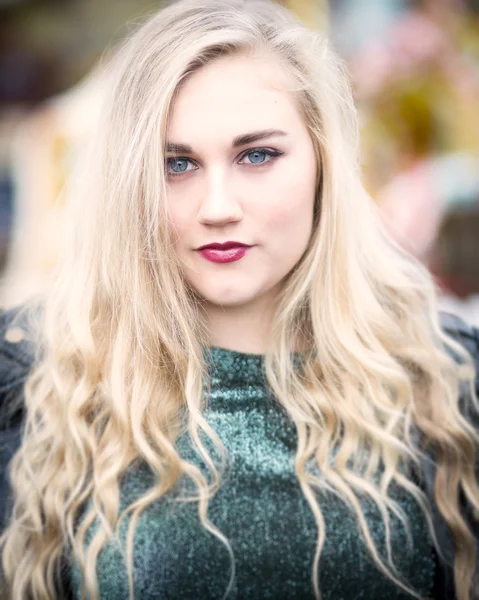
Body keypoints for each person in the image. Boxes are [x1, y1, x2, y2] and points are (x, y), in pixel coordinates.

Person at [0, 0, 478, 598]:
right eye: (176, 164)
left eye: (257, 155)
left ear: (323, 163)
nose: (218, 206)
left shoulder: (447, 382)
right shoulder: (39, 384)